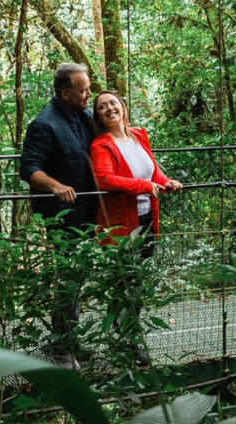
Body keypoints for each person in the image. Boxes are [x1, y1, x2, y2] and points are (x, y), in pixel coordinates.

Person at [89, 91, 182, 366]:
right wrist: (144, 186)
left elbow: (151, 171)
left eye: (113, 103)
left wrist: (166, 182)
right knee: (125, 283)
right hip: (121, 225)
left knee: (137, 281)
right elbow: (105, 179)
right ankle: (126, 340)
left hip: (147, 219)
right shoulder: (101, 145)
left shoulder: (139, 135)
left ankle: (127, 336)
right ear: (98, 116)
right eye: (102, 106)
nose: (109, 108)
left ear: (122, 106)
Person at [19, 63, 98, 370]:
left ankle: (69, 340)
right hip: (62, 216)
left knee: (79, 277)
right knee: (70, 278)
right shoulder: (44, 124)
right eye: (83, 90)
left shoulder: (84, 116)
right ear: (65, 93)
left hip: (89, 211)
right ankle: (61, 348)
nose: (89, 94)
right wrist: (55, 186)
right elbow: (29, 168)